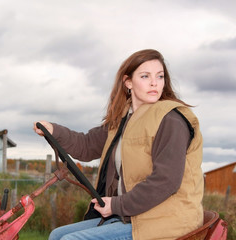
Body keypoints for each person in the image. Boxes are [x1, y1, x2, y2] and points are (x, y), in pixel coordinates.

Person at [33, 49, 204, 240]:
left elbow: (166, 181)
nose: (154, 82)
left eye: (160, 76)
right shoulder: (123, 119)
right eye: (145, 76)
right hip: (131, 216)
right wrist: (54, 130)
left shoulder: (170, 120)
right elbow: (87, 145)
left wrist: (116, 205)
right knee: (57, 235)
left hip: (166, 220)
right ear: (128, 82)